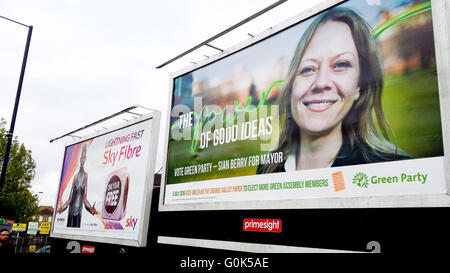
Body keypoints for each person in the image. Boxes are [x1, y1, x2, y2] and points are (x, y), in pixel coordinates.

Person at [259, 7, 411, 174]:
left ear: (358, 87)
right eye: (308, 68)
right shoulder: (268, 167)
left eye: (341, 65)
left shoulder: (392, 171)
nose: (321, 82)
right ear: (291, 86)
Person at [57, 143, 98, 227]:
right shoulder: (75, 177)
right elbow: (70, 199)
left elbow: (85, 200)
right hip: (71, 212)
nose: (83, 160)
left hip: (79, 212)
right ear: (80, 159)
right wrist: (62, 209)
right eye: (82, 157)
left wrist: (91, 209)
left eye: (85, 158)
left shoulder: (86, 176)